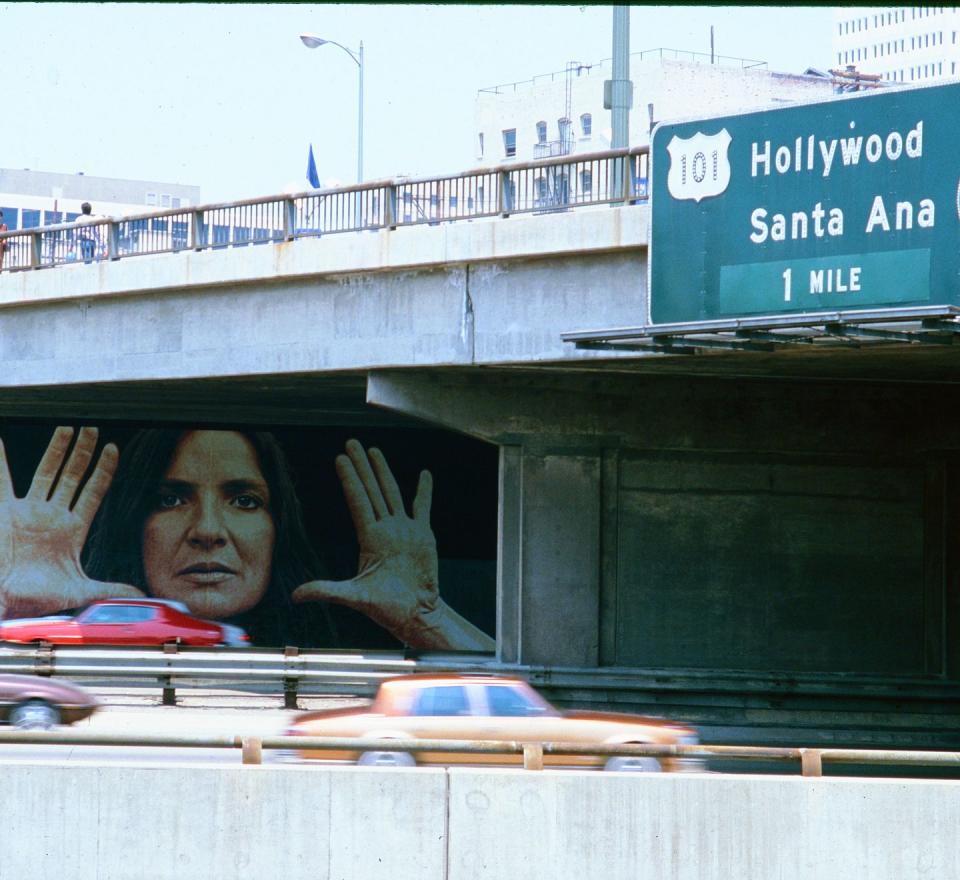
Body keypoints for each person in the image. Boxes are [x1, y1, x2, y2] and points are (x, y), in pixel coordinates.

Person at [0, 425, 494, 651]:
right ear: (134, 523)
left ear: (280, 529)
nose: (209, 532)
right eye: (171, 499)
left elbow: (521, 706)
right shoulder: (70, 641)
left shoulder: (345, 649)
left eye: (244, 500)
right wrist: (11, 605)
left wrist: (428, 620)